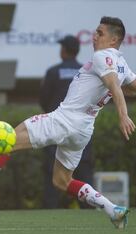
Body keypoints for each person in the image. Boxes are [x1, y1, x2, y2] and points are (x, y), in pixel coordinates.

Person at [0, 16, 136, 229]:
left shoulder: (102, 56)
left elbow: (114, 85)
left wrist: (122, 113)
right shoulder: (122, 64)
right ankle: (113, 209)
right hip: (83, 130)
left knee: (8, 140)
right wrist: (114, 90)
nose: (94, 36)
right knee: (61, 181)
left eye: (100, 33)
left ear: (113, 40)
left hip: (63, 120)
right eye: (95, 31)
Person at [39, 35, 94, 209]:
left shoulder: (54, 72)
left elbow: (44, 100)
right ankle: (90, 212)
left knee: (52, 176)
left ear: (63, 50)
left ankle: (51, 212)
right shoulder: (86, 72)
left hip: (56, 128)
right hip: (80, 129)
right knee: (84, 173)